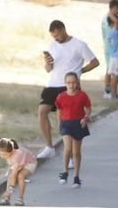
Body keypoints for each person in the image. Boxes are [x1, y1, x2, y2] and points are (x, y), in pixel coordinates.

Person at [38, 20, 99, 159]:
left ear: (63, 30)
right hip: (52, 84)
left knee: (68, 120)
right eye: (53, 36)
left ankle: (71, 155)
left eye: (58, 35)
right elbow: (48, 70)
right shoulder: (53, 45)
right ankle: (49, 147)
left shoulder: (79, 44)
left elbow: (95, 62)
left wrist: (79, 71)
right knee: (42, 112)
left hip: (69, 87)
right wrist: (47, 63)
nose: (56, 38)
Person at [54, 72, 91, 189]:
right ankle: (64, 171)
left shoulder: (82, 95)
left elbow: (88, 108)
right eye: (69, 82)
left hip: (78, 123)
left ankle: (76, 176)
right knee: (67, 148)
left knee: (76, 152)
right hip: (66, 124)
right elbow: (59, 109)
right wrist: (59, 122)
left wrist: (85, 118)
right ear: (65, 83)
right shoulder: (61, 96)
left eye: (74, 82)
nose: (71, 85)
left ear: (77, 83)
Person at [0, 138, 37, 206]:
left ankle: (20, 200)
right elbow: (12, 172)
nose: (2, 157)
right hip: (21, 163)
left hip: (30, 163)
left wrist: (10, 190)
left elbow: (14, 174)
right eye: (0, 154)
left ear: (11, 151)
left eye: (4, 155)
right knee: (10, 175)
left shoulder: (16, 156)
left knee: (20, 176)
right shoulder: (10, 154)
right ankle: (6, 199)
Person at [101, 0, 118, 99]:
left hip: (112, 49)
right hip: (112, 50)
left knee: (111, 70)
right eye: (117, 10)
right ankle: (110, 90)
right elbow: (115, 24)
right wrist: (113, 16)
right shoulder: (107, 19)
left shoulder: (112, 21)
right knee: (113, 71)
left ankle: (110, 91)